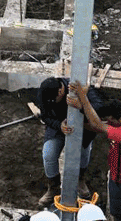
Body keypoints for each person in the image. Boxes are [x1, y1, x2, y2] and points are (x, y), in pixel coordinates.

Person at [69, 84, 121, 221]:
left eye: (111, 120)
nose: (108, 122)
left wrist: (83, 97)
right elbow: (99, 124)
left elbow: (98, 125)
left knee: (120, 212)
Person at [36, 77, 102, 207]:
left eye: (54, 100)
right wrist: (58, 125)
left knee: (84, 152)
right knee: (48, 154)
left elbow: (98, 110)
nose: (51, 103)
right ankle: (53, 188)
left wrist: (82, 105)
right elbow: (45, 116)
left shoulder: (81, 90)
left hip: (83, 129)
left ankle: (80, 179)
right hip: (58, 128)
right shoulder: (45, 93)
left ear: (61, 91)